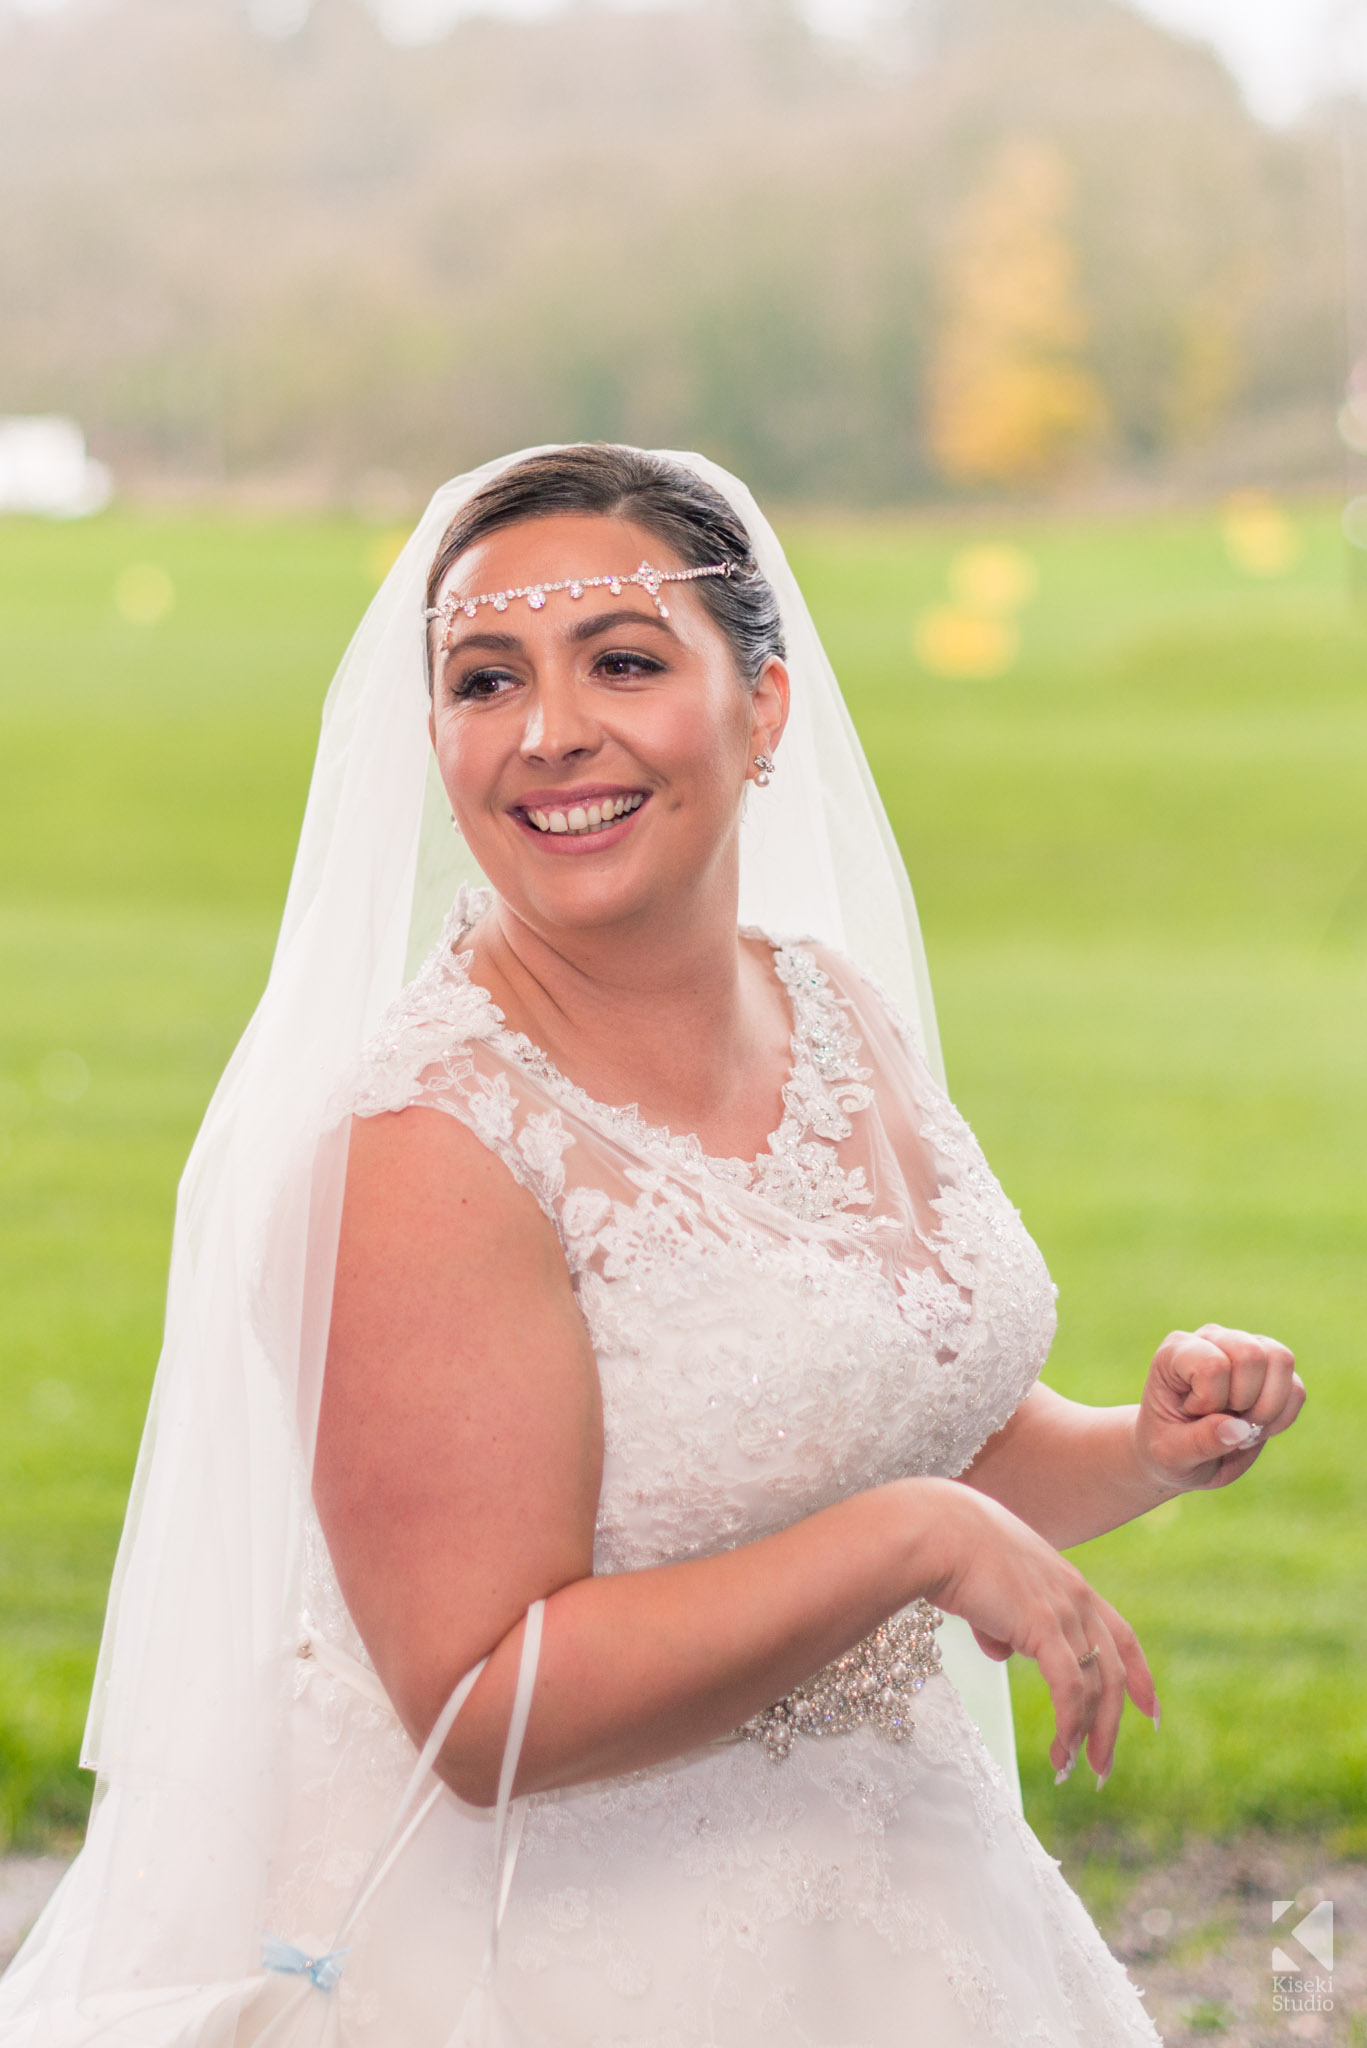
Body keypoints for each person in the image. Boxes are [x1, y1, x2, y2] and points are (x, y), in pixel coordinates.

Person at [0, 444, 1304, 2048]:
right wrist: (913, 1543)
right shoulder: (422, 1147)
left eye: (622, 661)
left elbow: (881, 1425)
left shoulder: (832, 1013)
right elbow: (482, 1707)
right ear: (436, 739)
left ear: (761, 706)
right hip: (547, 1956)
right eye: (487, 679)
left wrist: (1146, 1448)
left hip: (907, 1917)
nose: (551, 733)